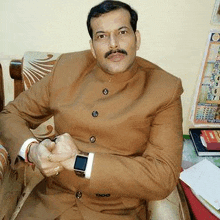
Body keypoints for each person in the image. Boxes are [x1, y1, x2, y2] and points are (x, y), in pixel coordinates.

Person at [0, 0, 184, 219]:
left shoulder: (165, 89)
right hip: (50, 203)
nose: (113, 44)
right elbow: (10, 115)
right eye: (102, 36)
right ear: (92, 47)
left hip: (116, 210)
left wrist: (80, 161)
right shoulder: (66, 68)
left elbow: (163, 176)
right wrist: (32, 151)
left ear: (138, 38)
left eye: (122, 32)